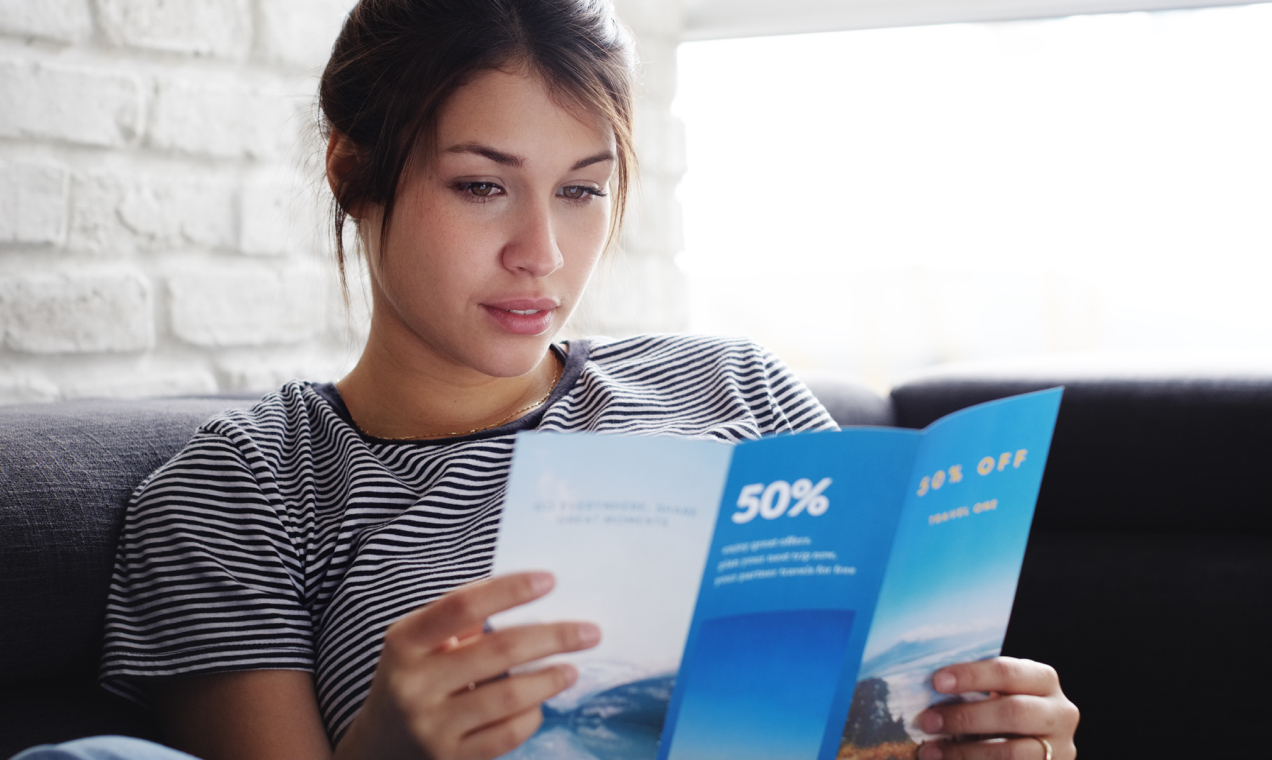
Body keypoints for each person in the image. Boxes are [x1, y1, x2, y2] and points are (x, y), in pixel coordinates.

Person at [12, 2, 1078, 760]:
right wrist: (388, 749)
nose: (544, 253)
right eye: (483, 186)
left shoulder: (732, 382)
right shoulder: (240, 495)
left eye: (580, 191)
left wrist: (999, 734)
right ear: (352, 170)